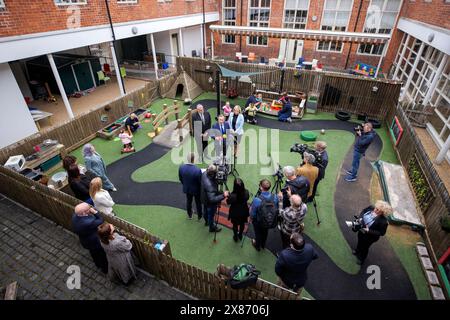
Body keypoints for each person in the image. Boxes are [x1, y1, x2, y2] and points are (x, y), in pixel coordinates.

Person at [72, 202, 108, 273]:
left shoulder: (75, 216)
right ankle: (105, 269)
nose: (91, 209)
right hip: (95, 242)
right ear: (84, 213)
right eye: (89, 209)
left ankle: (97, 264)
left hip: (85, 241)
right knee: (102, 256)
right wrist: (95, 212)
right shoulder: (89, 222)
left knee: (93, 253)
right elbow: (101, 220)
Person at [353, 200, 391, 265]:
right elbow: (363, 211)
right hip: (362, 229)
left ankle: (361, 259)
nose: (375, 210)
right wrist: (360, 218)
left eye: (378, 210)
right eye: (376, 208)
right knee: (359, 240)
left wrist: (369, 231)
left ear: (382, 212)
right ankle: (357, 250)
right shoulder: (371, 207)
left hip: (370, 237)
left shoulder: (383, 222)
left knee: (365, 247)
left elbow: (382, 233)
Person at [250, 179, 278, 251]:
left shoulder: (257, 200)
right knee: (265, 232)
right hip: (269, 219)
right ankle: (263, 244)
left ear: (261, 187)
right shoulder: (275, 197)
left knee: (258, 233)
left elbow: (253, 214)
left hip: (258, 221)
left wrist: (252, 218)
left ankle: (257, 246)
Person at [201, 164, 229, 232]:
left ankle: (206, 221)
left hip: (204, 197)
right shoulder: (210, 185)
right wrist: (223, 195)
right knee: (211, 215)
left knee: (205, 211)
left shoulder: (204, 173)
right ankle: (212, 227)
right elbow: (212, 199)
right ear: (212, 174)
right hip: (210, 202)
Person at [178, 153, 203, 220]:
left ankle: (190, 215)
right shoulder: (197, 170)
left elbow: (180, 179)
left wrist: (185, 184)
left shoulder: (181, 167)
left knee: (189, 201)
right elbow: (200, 182)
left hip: (187, 188)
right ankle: (199, 216)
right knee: (198, 202)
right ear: (193, 159)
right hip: (196, 190)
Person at [226, 178, 250, 242]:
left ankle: (235, 236)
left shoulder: (232, 196)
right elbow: (247, 198)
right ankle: (240, 235)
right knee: (242, 224)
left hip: (235, 213)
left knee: (235, 225)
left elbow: (228, 202)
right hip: (243, 211)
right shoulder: (246, 192)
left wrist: (228, 196)